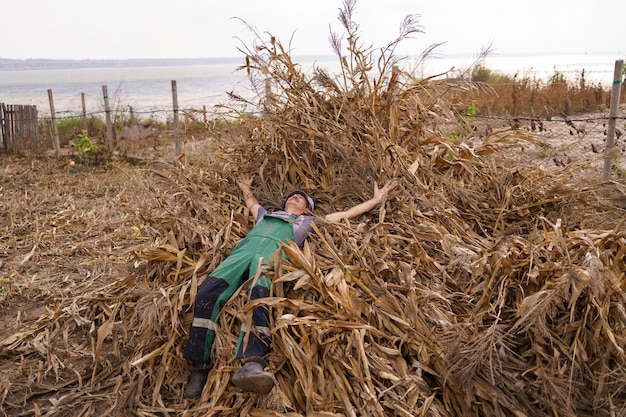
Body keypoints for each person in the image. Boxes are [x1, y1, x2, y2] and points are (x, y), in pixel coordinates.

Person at [182, 174, 398, 399]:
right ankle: (199, 366)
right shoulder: (265, 215)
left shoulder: (308, 222)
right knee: (207, 293)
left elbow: (345, 215)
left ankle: (252, 363)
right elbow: (252, 203)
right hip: (240, 254)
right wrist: (246, 188)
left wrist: (375, 201)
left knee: (259, 298)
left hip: (271, 256)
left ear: (307, 210)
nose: (295, 197)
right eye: (292, 196)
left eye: (301, 198)